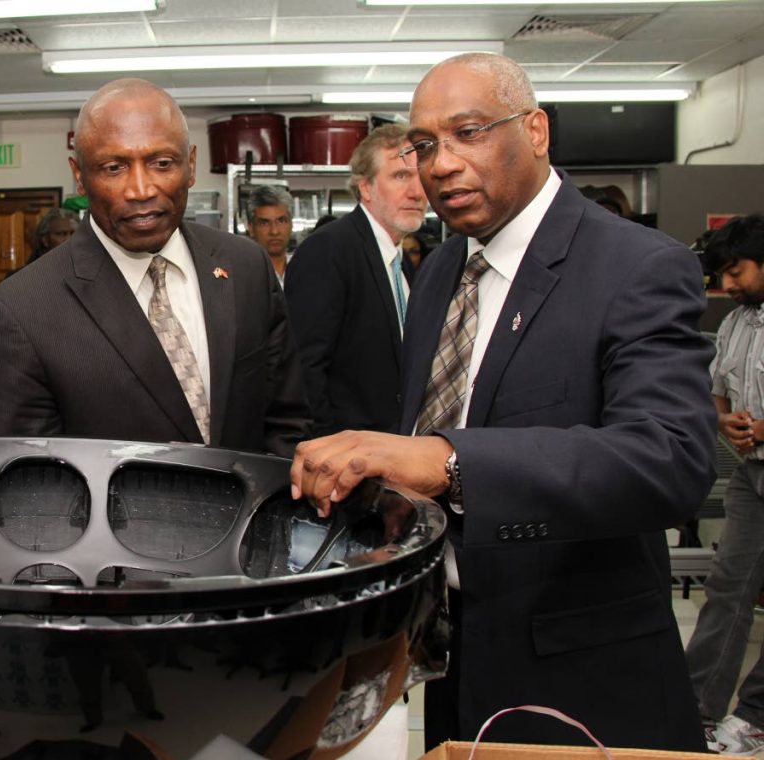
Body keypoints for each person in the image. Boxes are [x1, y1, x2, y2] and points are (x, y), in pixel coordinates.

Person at [288, 52, 715, 751]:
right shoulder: (442, 271)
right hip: (454, 657)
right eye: (424, 146)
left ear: (537, 130)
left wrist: (448, 461)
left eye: (470, 132)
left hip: (582, 674)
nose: (442, 164)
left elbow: (670, 460)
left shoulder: (637, 266)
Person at [0, 79, 310, 457]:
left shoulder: (245, 266)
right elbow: (24, 484)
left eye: (162, 163)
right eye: (114, 167)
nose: (141, 189)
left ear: (192, 165)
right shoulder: (22, 311)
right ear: (80, 176)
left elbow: (287, 421)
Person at [285, 124, 426, 436]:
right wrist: (326, 451)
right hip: (346, 458)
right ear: (366, 188)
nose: (417, 191)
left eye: (420, 176)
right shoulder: (329, 250)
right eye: (400, 176)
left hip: (395, 450)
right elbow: (304, 370)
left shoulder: (403, 262)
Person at [685, 214, 764, 755]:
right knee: (728, 591)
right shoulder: (736, 322)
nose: (728, 286)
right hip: (752, 474)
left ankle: (756, 713)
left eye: (736, 272)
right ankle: (697, 710)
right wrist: (723, 419)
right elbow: (718, 389)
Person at [246, 185, 294, 285]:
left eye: (281, 221)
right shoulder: (241, 273)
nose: (274, 231)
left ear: (291, 225)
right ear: (251, 229)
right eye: (265, 223)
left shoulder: (305, 268)